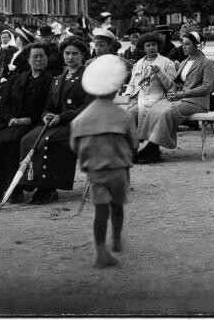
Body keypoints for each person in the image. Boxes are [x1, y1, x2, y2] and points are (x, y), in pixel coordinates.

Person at [70, 54, 137, 268]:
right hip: (119, 169)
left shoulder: (80, 119)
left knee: (100, 211)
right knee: (118, 205)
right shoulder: (124, 116)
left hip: (95, 171)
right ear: (116, 88)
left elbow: (74, 147)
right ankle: (116, 239)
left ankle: (100, 251)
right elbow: (134, 143)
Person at [19, 36, 93, 204]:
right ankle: (33, 182)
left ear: (83, 56)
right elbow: (49, 105)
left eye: (75, 53)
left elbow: (87, 107)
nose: (70, 57)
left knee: (49, 141)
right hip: (56, 122)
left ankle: (48, 188)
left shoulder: (89, 78)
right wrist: (46, 115)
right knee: (28, 139)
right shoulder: (58, 79)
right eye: (67, 53)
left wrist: (61, 117)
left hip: (78, 123)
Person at [0, 43, 53, 202]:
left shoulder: (51, 82)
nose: (39, 59)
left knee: (15, 143)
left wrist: (31, 119)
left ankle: (15, 189)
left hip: (33, 124)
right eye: (35, 56)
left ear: (47, 58)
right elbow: (4, 104)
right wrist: (9, 118)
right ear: (28, 60)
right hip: (11, 123)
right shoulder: (16, 79)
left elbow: (49, 106)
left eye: (42, 56)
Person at [140, 32, 214, 160]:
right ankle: (151, 146)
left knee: (166, 112)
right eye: (182, 44)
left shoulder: (207, 63)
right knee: (155, 108)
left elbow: (207, 88)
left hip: (197, 102)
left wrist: (182, 94)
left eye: (187, 44)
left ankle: (152, 149)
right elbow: (177, 83)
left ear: (197, 45)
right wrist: (172, 91)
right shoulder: (184, 62)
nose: (183, 47)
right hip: (182, 98)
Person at [124, 32, 177, 163]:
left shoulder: (166, 63)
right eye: (148, 45)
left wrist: (160, 72)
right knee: (129, 113)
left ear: (158, 46)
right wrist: (128, 96)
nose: (151, 48)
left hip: (159, 99)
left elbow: (171, 86)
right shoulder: (138, 64)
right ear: (143, 48)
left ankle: (152, 149)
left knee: (146, 113)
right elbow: (132, 84)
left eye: (154, 45)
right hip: (140, 99)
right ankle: (132, 149)